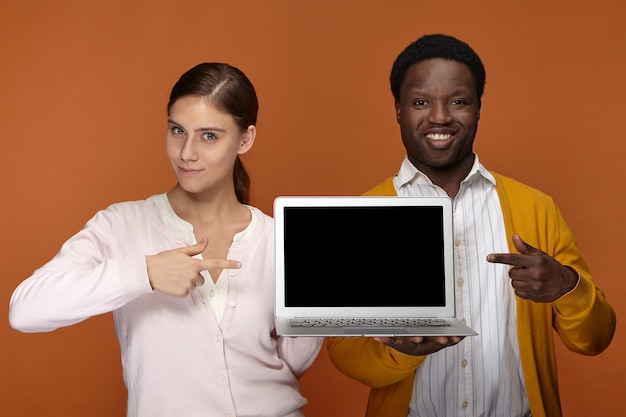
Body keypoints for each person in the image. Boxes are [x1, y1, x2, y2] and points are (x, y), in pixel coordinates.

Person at [9, 62, 323, 417]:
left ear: (245, 139)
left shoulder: (281, 240)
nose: (186, 153)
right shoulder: (120, 225)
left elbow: (293, 362)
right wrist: (144, 273)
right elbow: (25, 310)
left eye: (209, 136)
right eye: (177, 130)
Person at [326, 34, 616, 417]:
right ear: (398, 109)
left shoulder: (535, 208)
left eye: (458, 101)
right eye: (420, 102)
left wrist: (567, 287)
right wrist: (399, 351)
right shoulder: (365, 214)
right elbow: (344, 352)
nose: (440, 116)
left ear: (478, 108)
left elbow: (594, 339)